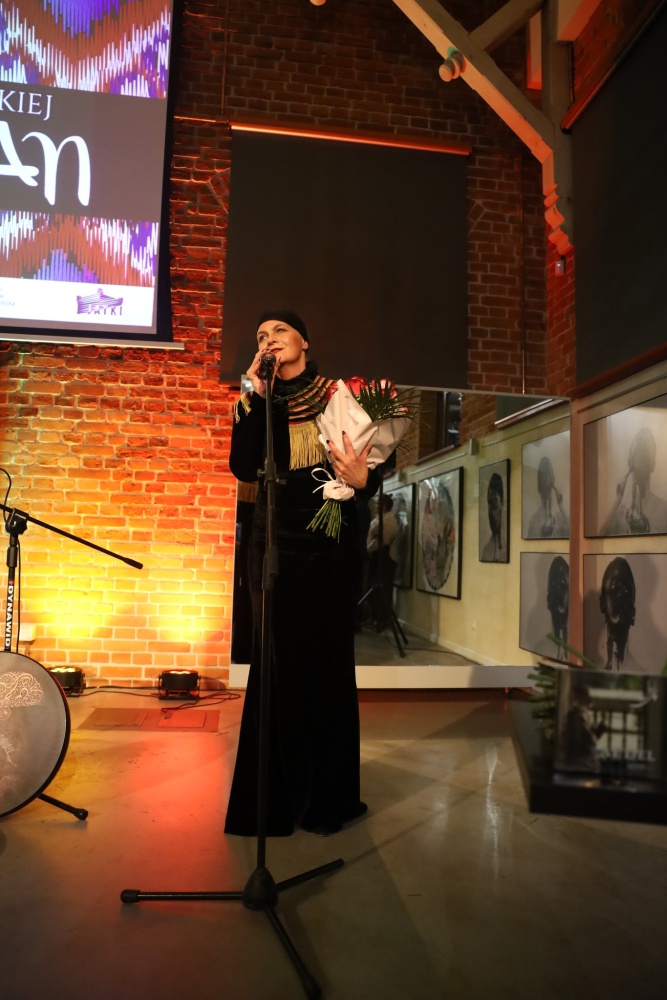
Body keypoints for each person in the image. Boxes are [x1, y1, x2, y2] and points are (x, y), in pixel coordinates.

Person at [225, 309, 380, 837]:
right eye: (261, 335)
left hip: (329, 539)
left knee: (326, 662)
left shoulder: (338, 396)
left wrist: (364, 478)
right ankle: (272, 800)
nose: (269, 339)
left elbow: (371, 470)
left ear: (305, 342)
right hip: (272, 540)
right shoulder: (254, 399)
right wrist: (260, 394)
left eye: (280, 331)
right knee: (273, 662)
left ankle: (325, 800)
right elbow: (244, 467)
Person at [602, 427, 667, 535]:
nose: (640, 466)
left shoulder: (664, 510)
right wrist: (618, 500)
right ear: (630, 464)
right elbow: (601, 538)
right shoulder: (621, 513)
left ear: (652, 465)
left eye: (644, 459)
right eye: (638, 460)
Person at [599, 556, 643, 672]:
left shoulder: (640, 673)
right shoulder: (589, 662)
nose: (620, 596)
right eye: (614, 589)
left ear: (633, 613)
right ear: (602, 604)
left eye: (625, 591)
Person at [366, 493, 399, 628]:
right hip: (376, 556)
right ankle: (374, 616)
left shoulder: (389, 521)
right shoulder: (379, 518)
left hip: (385, 557)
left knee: (384, 587)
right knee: (374, 586)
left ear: (384, 506)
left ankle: (383, 619)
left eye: (378, 503)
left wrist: (368, 548)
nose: (376, 505)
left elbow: (382, 540)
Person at [527, 456, 569, 538]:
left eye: (548, 474)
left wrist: (561, 507)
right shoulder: (534, 522)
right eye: (543, 475)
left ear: (553, 479)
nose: (546, 478)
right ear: (539, 484)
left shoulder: (560, 518)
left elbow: (573, 534)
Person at [480, 472, 506, 561]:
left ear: (502, 504)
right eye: (489, 505)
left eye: (494, 505)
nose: (490, 512)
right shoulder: (486, 551)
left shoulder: (509, 546)